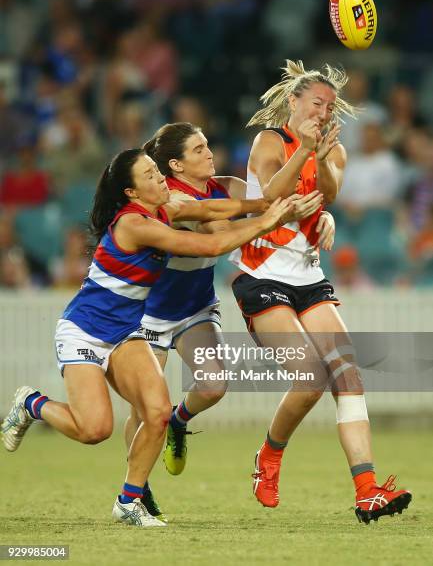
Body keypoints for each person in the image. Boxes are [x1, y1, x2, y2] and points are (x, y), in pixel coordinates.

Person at [1, 147, 294, 528]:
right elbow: (208, 245)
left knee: (157, 414)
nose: (159, 178)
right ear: (132, 194)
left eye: (156, 170)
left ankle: (129, 502)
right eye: (149, 175)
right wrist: (268, 219)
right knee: (95, 430)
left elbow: (209, 210)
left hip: (125, 332)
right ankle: (31, 403)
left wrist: (263, 202)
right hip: (85, 332)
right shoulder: (134, 224)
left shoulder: (165, 208)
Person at [113, 122, 331, 520]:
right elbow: (223, 231)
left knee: (214, 387)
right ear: (175, 164)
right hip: (149, 312)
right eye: (198, 150)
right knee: (145, 411)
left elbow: (273, 199)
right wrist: (277, 216)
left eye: (207, 145)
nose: (209, 153)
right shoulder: (172, 200)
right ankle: (137, 490)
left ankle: (179, 422)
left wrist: (319, 218)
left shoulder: (227, 184)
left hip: (195, 307)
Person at [230, 60, 411, 524]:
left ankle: (367, 490)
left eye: (331, 106)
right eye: (316, 102)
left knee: (348, 375)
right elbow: (271, 195)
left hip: (308, 276)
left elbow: (327, 193)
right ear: (293, 102)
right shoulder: (270, 140)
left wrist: (323, 162)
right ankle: (269, 457)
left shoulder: (335, 150)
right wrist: (304, 151)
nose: (325, 111)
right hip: (262, 274)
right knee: (310, 378)